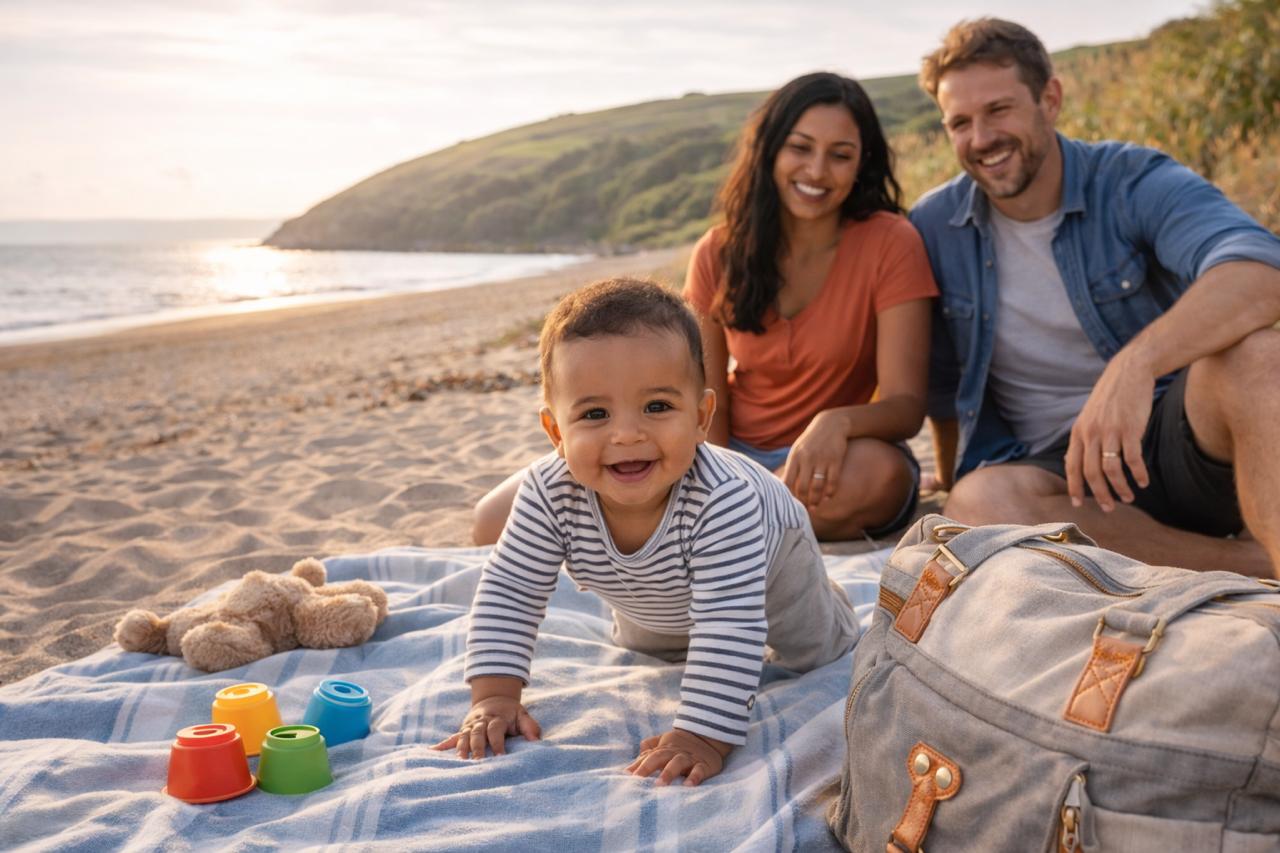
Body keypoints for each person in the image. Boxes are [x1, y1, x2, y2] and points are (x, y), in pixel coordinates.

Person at [434, 277, 859, 786]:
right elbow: (511, 591)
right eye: (595, 414)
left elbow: (730, 625)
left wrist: (702, 734)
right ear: (555, 432)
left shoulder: (723, 499)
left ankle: (833, 610)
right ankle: (671, 617)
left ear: (702, 417)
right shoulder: (548, 493)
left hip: (774, 561)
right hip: (651, 589)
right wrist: (494, 696)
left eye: (657, 406)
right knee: (652, 647)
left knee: (815, 648)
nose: (627, 434)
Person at [910, 18, 1280, 577]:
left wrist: (1136, 363)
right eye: (959, 122)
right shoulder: (937, 224)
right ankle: (1252, 565)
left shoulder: (1131, 179)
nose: (981, 138)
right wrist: (951, 469)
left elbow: (1259, 268)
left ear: (1050, 99)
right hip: (1061, 476)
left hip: (1174, 438)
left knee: (1255, 356)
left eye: (999, 110)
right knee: (977, 504)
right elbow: (941, 383)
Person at [684, 72, 938, 542]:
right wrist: (714, 481)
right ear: (771, 149)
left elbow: (906, 408)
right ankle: (735, 521)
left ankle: (722, 532)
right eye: (801, 148)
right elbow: (706, 400)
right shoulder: (717, 252)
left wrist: (836, 422)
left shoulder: (891, 243)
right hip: (734, 456)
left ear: (861, 163)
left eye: (839, 155)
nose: (817, 172)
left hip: (839, 462)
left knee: (882, 474)